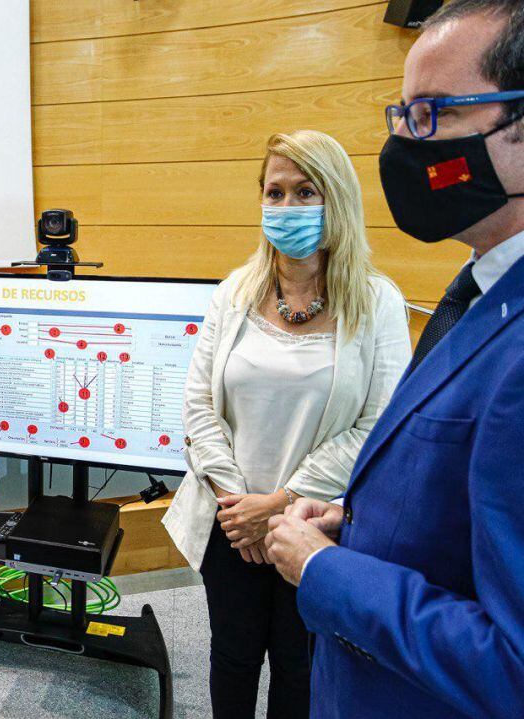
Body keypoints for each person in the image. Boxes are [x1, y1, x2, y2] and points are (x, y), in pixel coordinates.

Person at [264, 2, 524, 717]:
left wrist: (327, 570)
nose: (410, 143)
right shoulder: (480, 283)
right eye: (404, 114)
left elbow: (514, 664)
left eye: (434, 112)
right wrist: (359, 520)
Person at [163, 130, 411, 718]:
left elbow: (377, 426)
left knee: (300, 664)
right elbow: (200, 406)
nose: (286, 208)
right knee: (232, 655)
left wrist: (279, 504)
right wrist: (237, 504)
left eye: (305, 192)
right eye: (274, 193)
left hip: (315, 523)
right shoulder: (234, 294)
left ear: (338, 202)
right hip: (230, 523)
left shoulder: (378, 303)